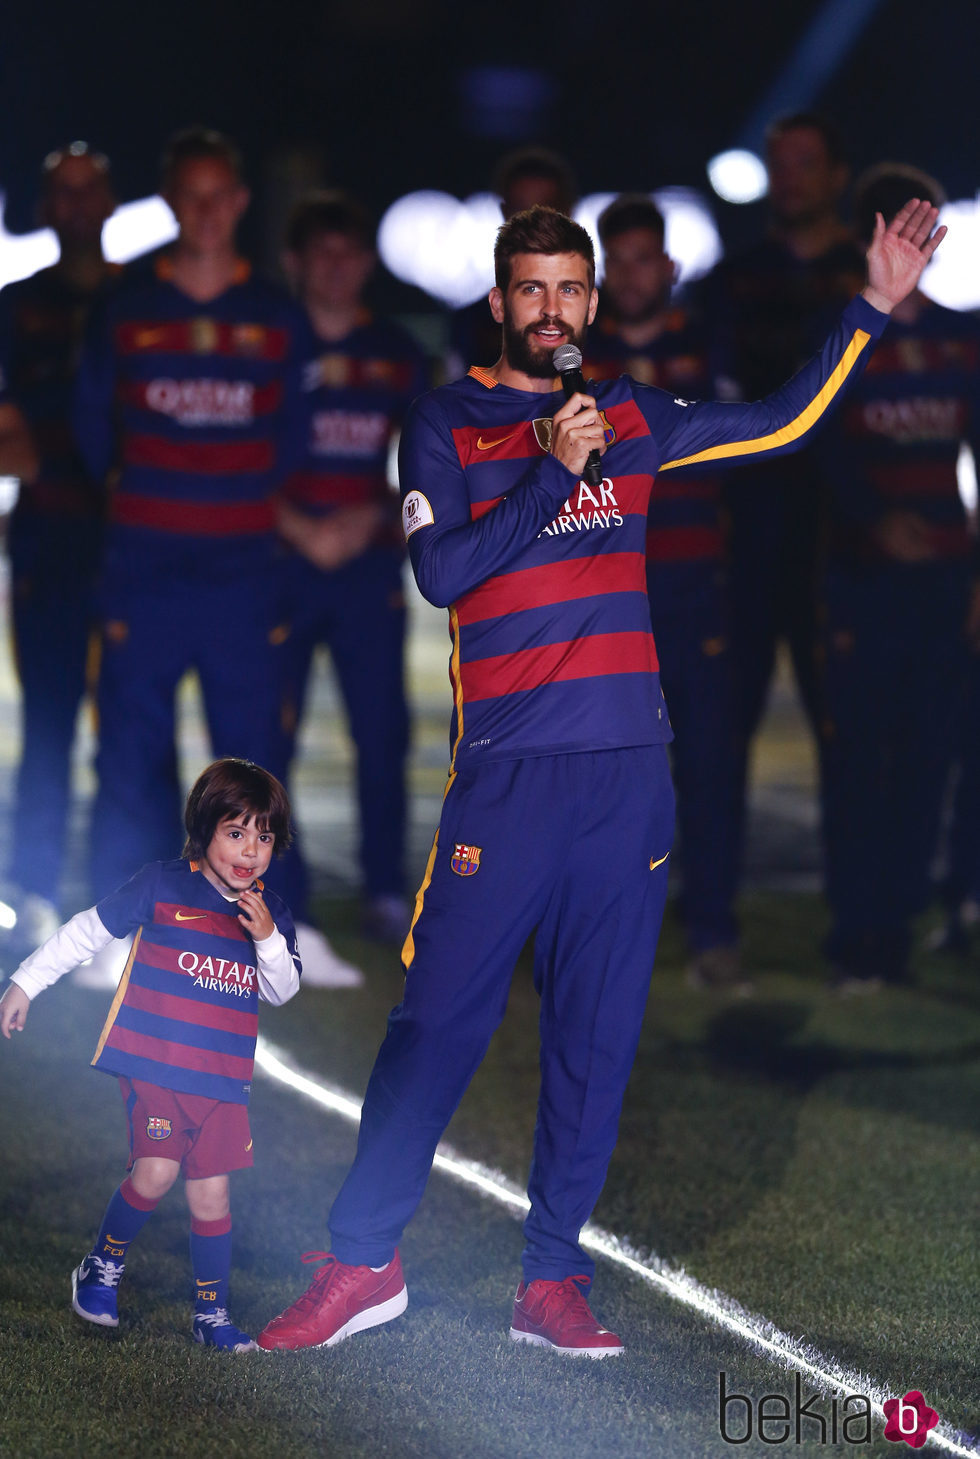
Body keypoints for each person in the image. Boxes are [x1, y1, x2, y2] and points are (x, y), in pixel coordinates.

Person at [255, 200, 943, 1357]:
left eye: (568, 289)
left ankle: (550, 1278)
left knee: (595, 1036)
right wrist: (547, 473)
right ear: (497, 302)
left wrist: (869, 305)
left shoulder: (631, 414)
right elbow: (441, 572)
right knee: (432, 1027)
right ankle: (362, 1261)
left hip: (628, 781)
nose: (552, 309)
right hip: (507, 779)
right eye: (530, 288)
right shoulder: (447, 420)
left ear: (588, 300)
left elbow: (779, 424)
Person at [72, 127, 357, 989]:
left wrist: (229, 506)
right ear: (170, 204)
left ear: (237, 202)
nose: (203, 211)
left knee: (254, 763)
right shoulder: (126, 308)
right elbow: (92, 433)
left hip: (240, 572)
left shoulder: (274, 313)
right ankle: (120, 934)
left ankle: (280, 930)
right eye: (186, 196)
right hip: (144, 567)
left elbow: (292, 440)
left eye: (217, 195)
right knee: (129, 753)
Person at [0, 758, 301, 1350]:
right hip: (155, 1065)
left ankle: (210, 1315)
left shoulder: (267, 913)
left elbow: (282, 989)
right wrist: (25, 982)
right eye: (235, 833)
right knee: (157, 1171)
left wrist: (266, 937)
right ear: (204, 828)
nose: (250, 851)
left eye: (263, 837)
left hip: (221, 1081)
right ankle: (101, 1267)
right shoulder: (162, 885)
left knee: (212, 1195)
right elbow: (86, 931)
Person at [815, 164, 980, 989]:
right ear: (868, 234)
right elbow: (810, 448)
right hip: (862, 581)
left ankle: (901, 926)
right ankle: (855, 929)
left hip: (945, 581)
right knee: (858, 762)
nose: (921, 239)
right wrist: (874, 521)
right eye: (903, 225)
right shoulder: (844, 335)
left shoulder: (964, 336)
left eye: (930, 224)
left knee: (927, 758)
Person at [585, 194, 742, 988]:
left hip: (696, 588)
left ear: (672, 267)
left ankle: (714, 931)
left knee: (709, 766)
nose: (640, 274)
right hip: (612, 603)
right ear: (607, 273)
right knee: (611, 779)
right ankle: (607, 936)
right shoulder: (580, 360)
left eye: (651, 258)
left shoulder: (708, 350)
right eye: (625, 261)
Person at [702, 113, 866, 868]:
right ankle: (713, 916)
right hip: (747, 533)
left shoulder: (869, 276)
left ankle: (856, 923)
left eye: (805, 162)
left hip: (847, 536)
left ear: (837, 175)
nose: (790, 177)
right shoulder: (734, 280)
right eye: (780, 163)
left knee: (849, 727)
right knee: (723, 725)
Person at [278, 191, 429, 944]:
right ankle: (276, 893)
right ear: (295, 262)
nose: (337, 269)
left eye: (350, 254)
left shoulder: (398, 350)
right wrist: (297, 526)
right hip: (280, 563)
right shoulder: (269, 341)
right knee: (268, 735)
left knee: (381, 732)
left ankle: (384, 887)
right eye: (322, 254)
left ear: (369, 263)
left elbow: (435, 461)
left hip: (368, 567)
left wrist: (378, 517)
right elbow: (233, 451)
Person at [0, 144, 117, 948]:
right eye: (61, 195)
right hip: (48, 540)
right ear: (45, 208)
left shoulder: (144, 299)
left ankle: (124, 890)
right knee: (48, 725)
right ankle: (31, 887)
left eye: (88, 193)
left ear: (109, 203)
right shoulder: (15, 305)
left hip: (131, 545)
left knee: (130, 729)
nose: (75, 207)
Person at [445, 146, 577, 381]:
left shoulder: (598, 317)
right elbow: (462, 396)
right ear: (504, 213)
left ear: (567, 213)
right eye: (521, 210)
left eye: (546, 209)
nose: (534, 225)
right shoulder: (472, 323)